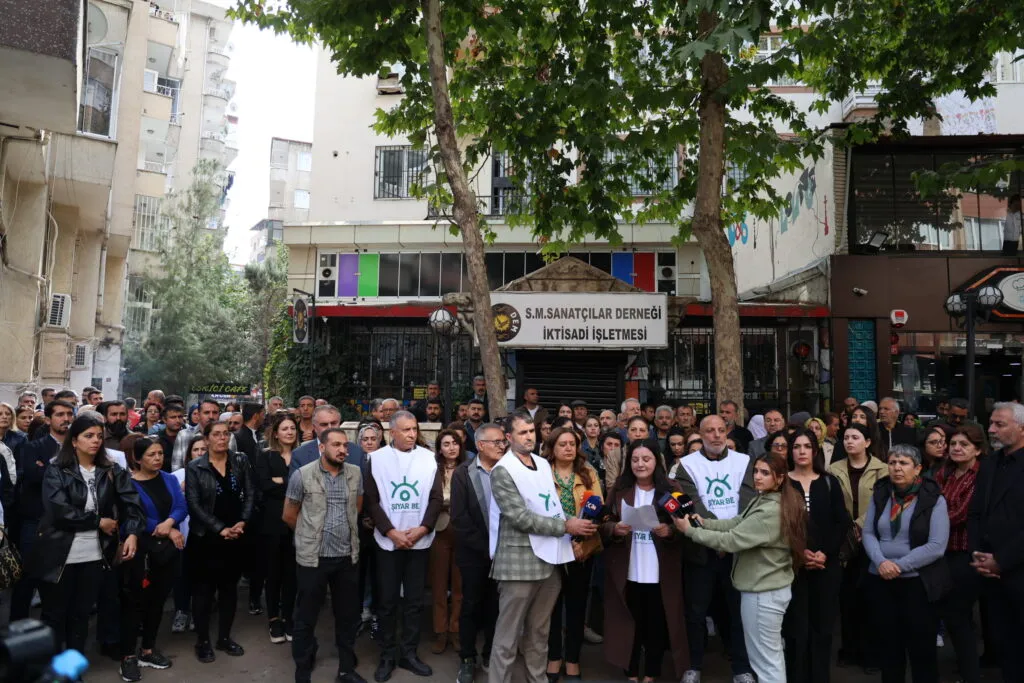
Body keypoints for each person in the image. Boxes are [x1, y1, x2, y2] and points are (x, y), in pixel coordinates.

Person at [675, 449, 806, 683]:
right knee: (769, 657)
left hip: (763, 593)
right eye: (756, 471)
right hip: (765, 589)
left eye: (765, 473)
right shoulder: (765, 499)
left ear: (780, 478)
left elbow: (731, 540)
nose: (757, 476)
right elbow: (737, 522)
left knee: (765, 662)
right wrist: (706, 522)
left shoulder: (769, 510)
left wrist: (690, 531)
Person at [487, 412, 597, 683]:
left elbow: (553, 508)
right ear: (509, 437)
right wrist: (567, 526)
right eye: (522, 432)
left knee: (539, 633)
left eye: (531, 431)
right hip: (518, 564)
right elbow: (520, 518)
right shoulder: (502, 471)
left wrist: (572, 528)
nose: (529, 436)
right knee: (508, 637)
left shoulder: (541, 463)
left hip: (550, 561)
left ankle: (537, 680)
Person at [28, 412, 143, 654]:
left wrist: (132, 532)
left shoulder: (111, 470)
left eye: (99, 436)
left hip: (96, 554)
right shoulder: (57, 469)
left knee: (80, 616)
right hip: (59, 554)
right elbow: (59, 511)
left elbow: (132, 504)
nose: (95, 441)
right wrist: (98, 522)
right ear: (74, 440)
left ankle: (72, 667)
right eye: (88, 436)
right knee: (54, 616)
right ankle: (52, 667)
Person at [674, 415, 756, 683]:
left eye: (721, 430)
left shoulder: (744, 462)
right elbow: (692, 503)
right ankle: (694, 666)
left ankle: (741, 668)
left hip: (737, 549)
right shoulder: (687, 465)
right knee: (696, 611)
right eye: (710, 431)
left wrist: (729, 539)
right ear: (700, 433)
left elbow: (748, 501)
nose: (717, 435)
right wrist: (718, 538)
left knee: (738, 611)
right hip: (701, 550)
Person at [600, 439, 689, 682]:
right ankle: (630, 670)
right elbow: (603, 520)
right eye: (635, 459)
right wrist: (614, 528)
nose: (640, 464)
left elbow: (687, 522)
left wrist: (670, 530)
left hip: (660, 568)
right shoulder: (620, 488)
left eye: (646, 459)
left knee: (656, 622)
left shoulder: (671, 488)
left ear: (656, 461)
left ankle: (651, 672)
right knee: (631, 620)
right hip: (628, 566)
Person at [364, 411, 443, 681]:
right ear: (392, 432)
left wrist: (423, 528)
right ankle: (387, 654)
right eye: (406, 430)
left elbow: (435, 498)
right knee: (387, 602)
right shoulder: (376, 459)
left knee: (414, 601)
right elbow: (371, 500)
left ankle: (409, 653)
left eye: (414, 429)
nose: (411, 434)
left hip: (419, 541)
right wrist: (391, 531)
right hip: (388, 541)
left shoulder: (429, 458)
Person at [862, 444, 950, 683]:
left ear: (918, 468)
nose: (896, 468)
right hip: (881, 579)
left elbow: (936, 545)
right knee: (889, 649)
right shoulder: (881, 493)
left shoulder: (933, 499)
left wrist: (899, 566)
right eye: (892, 463)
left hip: (917, 584)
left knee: (922, 651)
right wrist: (881, 562)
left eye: (903, 463)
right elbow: (868, 533)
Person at [284, 427, 366, 683]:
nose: (342, 450)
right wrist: (309, 537)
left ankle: (346, 669)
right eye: (336, 445)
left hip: (346, 558)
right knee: (306, 616)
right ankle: (302, 667)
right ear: (322, 447)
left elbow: (357, 508)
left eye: (345, 446)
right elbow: (289, 515)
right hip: (313, 558)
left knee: (347, 616)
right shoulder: (302, 475)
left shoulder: (355, 473)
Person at [783, 428, 850, 683]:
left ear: (815, 451)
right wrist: (799, 553)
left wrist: (825, 553)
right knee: (795, 627)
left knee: (823, 628)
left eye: (807, 446)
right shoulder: (782, 483)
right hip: (793, 566)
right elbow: (778, 525)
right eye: (796, 446)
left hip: (826, 565)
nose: (802, 451)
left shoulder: (829, 482)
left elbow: (841, 522)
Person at [185, 420, 254, 663]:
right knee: (203, 592)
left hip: (236, 535)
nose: (222, 438)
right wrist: (220, 528)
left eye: (226, 434)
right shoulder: (195, 467)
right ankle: (202, 641)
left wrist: (243, 521)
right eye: (216, 434)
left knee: (229, 589)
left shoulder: (240, 461)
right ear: (206, 439)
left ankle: (224, 637)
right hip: (206, 539)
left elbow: (250, 493)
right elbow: (193, 504)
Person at [118, 437, 186, 682]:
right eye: (151, 455)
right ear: (137, 459)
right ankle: (128, 656)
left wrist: (169, 523)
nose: (157, 458)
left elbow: (181, 506)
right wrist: (163, 528)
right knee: (134, 603)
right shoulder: (128, 483)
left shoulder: (169, 479)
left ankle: (148, 649)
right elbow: (129, 516)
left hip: (166, 551)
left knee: (157, 601)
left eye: (160, 453)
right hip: (140, 550)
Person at [969, 402, 1024, 683]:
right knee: (1004, 646)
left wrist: (1001, 561)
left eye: (999, 424)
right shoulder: (990, 464)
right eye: (991, 423)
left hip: (1018, 571)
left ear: (1021, 428)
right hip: (990, 573)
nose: (991, 430)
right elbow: (976, 512)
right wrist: (979, 554)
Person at [544, 427, 603, 682]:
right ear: (552, 448)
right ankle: (553, 657)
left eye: (572, 444)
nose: (568, 448)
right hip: (551, 547)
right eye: (562, 444)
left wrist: (579, 540)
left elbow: (597, 509)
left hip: (582, 549)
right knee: (552, 607)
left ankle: (573, 661)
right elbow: (540, 510)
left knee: (577, 607)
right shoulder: (542, 473)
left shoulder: (588, 472)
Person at [829, 422, 887, 672]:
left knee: (870, 598)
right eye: (846, 437)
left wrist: (860, 525)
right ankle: (849, 649)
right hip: (843, 538)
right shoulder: (833, 469)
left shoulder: (882, 469)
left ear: (868, 442)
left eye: (855, 437)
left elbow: (882, 501)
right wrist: (847, 526)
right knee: (847, 597)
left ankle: (871, 654)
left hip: (872, 537)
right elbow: (831, 502)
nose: (849, 441)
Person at [11, 399, 75, 621]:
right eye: (60, 414)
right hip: (36, 521)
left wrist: (47, 468)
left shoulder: (79, 447)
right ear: (48, 420)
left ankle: (53, 631)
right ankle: (17, 629)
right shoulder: (32, 447)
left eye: (69, 414)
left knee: (60, 581)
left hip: (68, 522)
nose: (66, 419)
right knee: (27, 577)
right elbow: (34, 476)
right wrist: (63, 474)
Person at [451, 423, 503, 683]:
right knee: (471, 605)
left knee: (497, 606)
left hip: (504, 553)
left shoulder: (510, 470)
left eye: (503, 441)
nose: (502, 446)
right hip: (474, 554)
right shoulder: (463, 473)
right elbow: (459, 519)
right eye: (496, 442)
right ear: (481, 445)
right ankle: (467, 658)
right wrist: (487, 549)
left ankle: (490, 653)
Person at [934, 425, 984, 683]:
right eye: (953, 443)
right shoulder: (945, 472)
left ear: (978, 449)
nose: (956, 448)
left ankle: (970, 674)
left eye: (964, 444)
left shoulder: (979, 476)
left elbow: (961, 514)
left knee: (958, 615)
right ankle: (967, 670)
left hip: (964, 552)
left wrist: (931, 522)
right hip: (940, 553)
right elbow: (929, 501)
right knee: (951, 615)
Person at [255, 413, 299, 644]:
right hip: (271, 523)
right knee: (273, 573)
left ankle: (289, 616)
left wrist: (280, 481)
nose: (289, 432)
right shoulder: (266, 456)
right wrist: (289, 483)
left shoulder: (302, 456)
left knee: (292, 573)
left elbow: (307, 486)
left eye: (292, 428)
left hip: (298, 522)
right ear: (276, 433)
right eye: (284, 428)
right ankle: (274, 619)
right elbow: (264, 485)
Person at [429, 429, 467, 655]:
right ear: (439, 449)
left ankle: (455, 629)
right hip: (439, 530)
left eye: (455, 443)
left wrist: (446, 501)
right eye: (446, 444)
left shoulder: (468, 469)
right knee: (439, 585)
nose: (451, 447)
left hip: (462, 532)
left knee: (460, 586)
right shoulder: (432, 469)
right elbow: (430, 499)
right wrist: (447, 502)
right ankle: (440, 631)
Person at [170, 434, 206, 633]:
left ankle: (198, 612)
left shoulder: (213, 472)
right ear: (189, 454)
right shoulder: (177, 476)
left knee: (202, 575)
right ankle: (181, 610)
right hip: (182, 532)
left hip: (204, 532)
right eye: (195, 450)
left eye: (203, 449)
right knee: (181, 574)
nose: (199, 453)